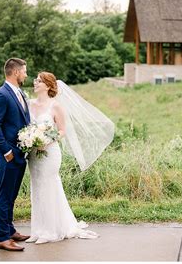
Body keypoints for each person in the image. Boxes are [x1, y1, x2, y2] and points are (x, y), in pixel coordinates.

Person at [26, 71, 114, 244]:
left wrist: (46, 141)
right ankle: (38, 230)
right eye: (35, 80)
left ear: (48, 86)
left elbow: (62, 131)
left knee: (49, 187)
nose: (35, 82)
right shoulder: (29, 104)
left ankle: (50, 232)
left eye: (39, 81)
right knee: (36, 189)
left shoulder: (55, 106)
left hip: (50, 153)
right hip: (34, 154)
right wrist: (29, 139)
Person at [0, 58, 31, 251]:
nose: (26, 75)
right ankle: (2, 238)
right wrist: (6, 151)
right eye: (24, 71)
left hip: (20, 153)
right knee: (4, 195)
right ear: (15, 72)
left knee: (11, 195)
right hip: (8, 154)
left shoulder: (19, 92)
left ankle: (10, 229)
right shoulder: (1, 95)